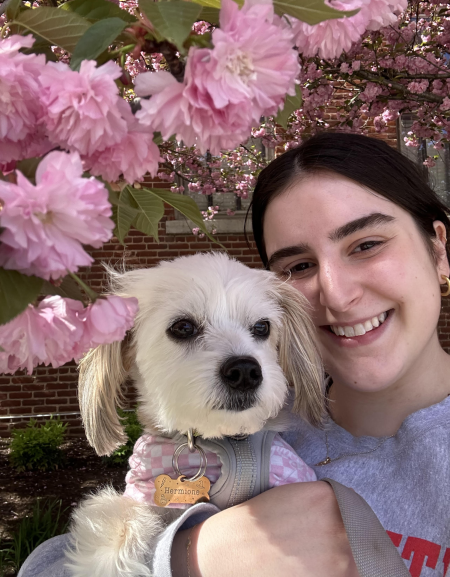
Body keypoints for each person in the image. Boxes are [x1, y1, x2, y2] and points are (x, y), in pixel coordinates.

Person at [19, 132, 450, 577]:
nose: (337, 296)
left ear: (438, 248)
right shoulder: (201, 446)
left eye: (366, 244)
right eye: (298, 266)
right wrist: (189, 559)